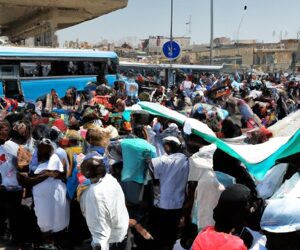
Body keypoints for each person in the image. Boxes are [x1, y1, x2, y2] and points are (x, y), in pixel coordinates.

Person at [147, 136, 189, 250]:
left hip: (162, 203)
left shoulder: (161, 161)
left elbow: (154, 178)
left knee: (160, 233)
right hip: (178, 203)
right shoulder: (186, 160)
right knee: (172, 233)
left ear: (167, 146)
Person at [80, 155, 129, 250]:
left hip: (110, 241)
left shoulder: (95, 193)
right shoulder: (111, 179)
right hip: (121, 232)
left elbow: (100, 231)